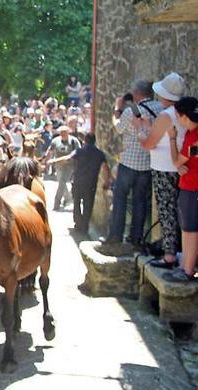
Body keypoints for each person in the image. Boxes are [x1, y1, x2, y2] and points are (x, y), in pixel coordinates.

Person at [99, 80, 158, 256]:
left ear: (137, 94)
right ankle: (136, 238)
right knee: (140, 201)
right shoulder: (160, 109)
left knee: (120, 199)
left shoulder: (129, 112)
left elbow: (117, 128)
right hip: (148, 163)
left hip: (129, 163)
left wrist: (116, 109)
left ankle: (115, 236)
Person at [138, 72, 187, 268]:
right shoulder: (183, 113)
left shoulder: (167, 116)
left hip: (163, 169)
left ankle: (169, 255)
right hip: (179, 167)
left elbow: (148, 143)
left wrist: (141, 130)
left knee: (167, 212)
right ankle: (180, 251)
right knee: (179, 211)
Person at [48, 133, 111, 235]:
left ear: (85, 141)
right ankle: (85, 226)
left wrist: (54, 160)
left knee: (76, 203)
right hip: (91, 183)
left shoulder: (79, 151)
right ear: (95, 141)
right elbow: (105, 168)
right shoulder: (100, 154)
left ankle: (78, 224)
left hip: (78, 181)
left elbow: (67, 158)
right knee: (88, 205)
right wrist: (107, 181)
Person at [164, 97, 198, 285]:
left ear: (183, 116)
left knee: (190, 230)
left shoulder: (193, 136)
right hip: (191, 185)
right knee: (188, 229)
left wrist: (171, 138)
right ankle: (186, 265)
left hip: (192, 187)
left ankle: (187, 270)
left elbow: (177, 161)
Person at [44, 125, 82, 210]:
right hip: (58, 166)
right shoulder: (55, 141)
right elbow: (50, 151)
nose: (63, 134)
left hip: (70, 166)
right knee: (62, 183)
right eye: (61, 132)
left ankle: (56, 203)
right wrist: (46, 162)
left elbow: (78, 152)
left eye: (65, 132)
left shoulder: (74, 141)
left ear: (68, 132)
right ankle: (68, 199)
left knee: (62, 182)